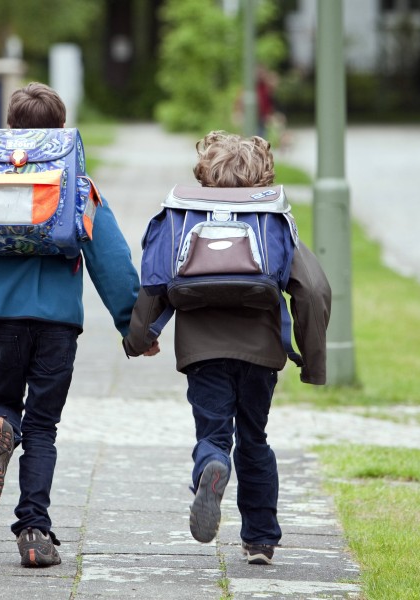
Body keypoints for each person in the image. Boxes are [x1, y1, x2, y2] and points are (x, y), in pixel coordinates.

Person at [0, 82, 146, 568]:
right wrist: (135, 329)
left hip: (0, 318)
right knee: (42, 428)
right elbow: (111, 261)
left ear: (11, 128)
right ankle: (34, 530)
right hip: (57, 326)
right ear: (61, 130)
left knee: (4, 402)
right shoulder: (76, 185)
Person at [123, 131, 331, 565]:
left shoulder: (182, 214)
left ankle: (212, 466)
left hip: (202, 352)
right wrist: (312, 362)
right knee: (255, 439)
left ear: (205, 174)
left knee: (213, 434)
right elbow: (311, 289)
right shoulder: (272, 218)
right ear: (263, 176)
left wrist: (140, 338)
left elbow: (153, 281)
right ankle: (259, 540)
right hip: (261, 354)